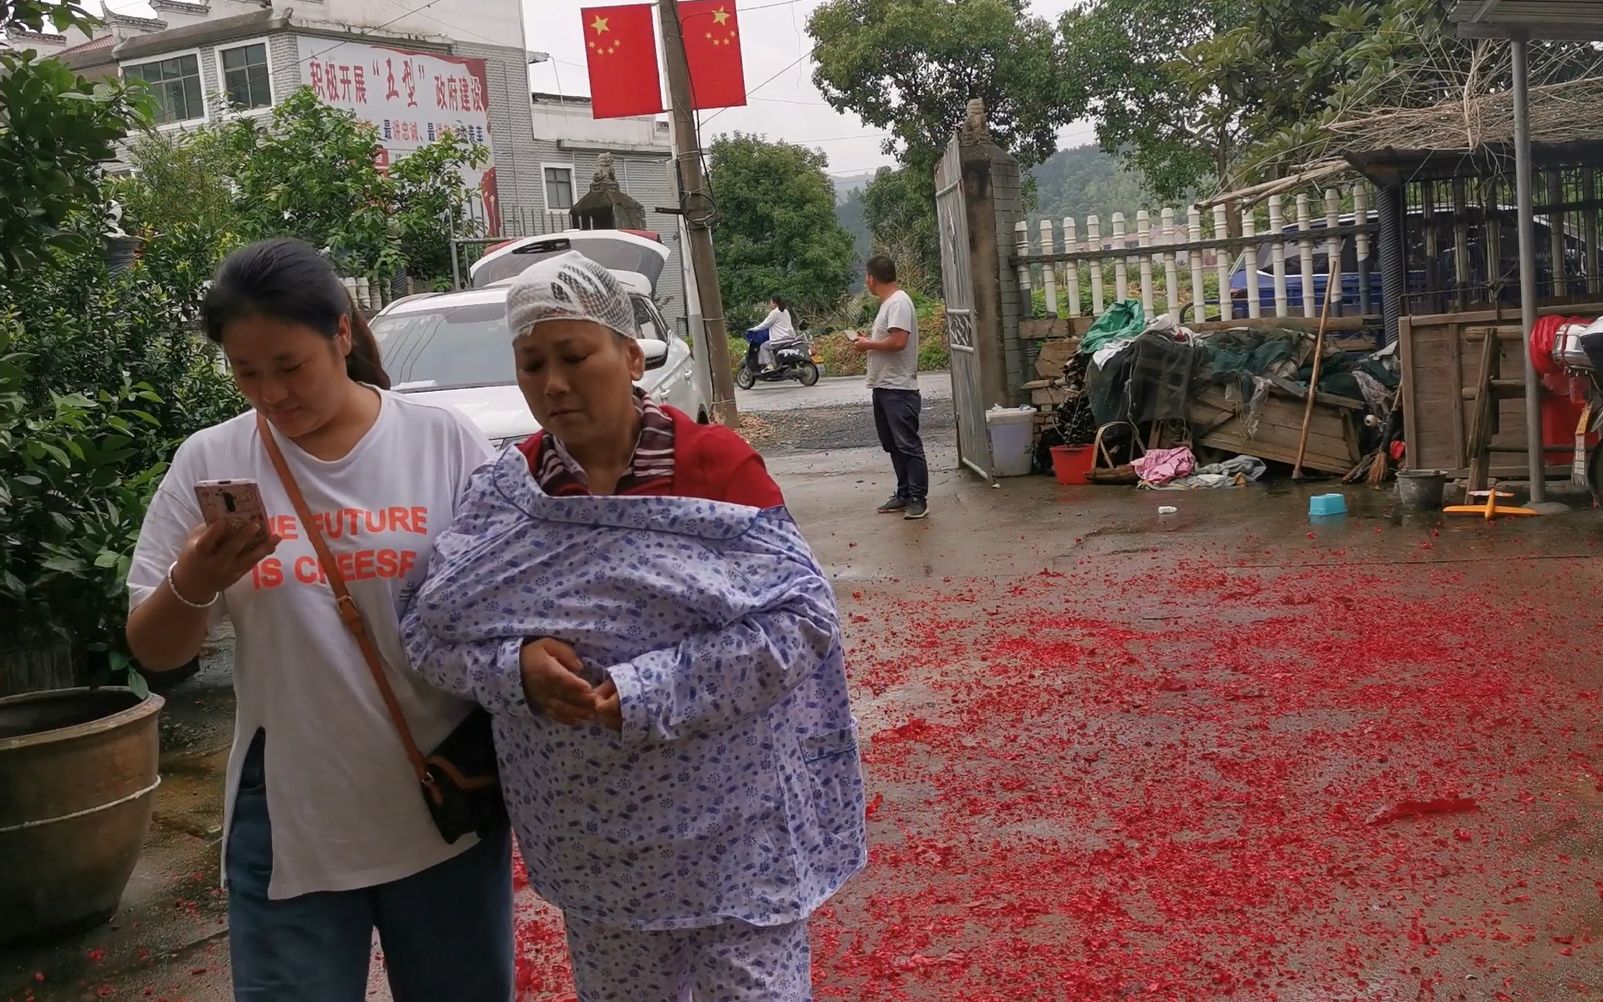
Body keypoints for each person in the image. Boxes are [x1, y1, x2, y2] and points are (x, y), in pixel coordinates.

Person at [402, 252, 866, 1002]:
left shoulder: (714, 467)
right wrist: (512, 669)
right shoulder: (508, 493)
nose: (551, 384)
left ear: (628, 353)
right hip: (597, 852)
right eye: (531, 363)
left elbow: (802, 618)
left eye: (574, 356)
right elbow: (426, 631)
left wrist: (647, 685)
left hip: (735, 836)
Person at [125, 238, 513, 1002]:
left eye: (289, 366)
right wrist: (197, 578)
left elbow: (505, 606)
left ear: (341, 333)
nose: (270, 394)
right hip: (292, 819)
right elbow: (153, 650)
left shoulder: (444, 442)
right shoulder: (209, 461)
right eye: (246, 372)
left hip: (443, 800)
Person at [852, 254, 928, 519]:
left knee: (907, 444)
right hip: (884, 385)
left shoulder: (898, 303)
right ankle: (904, 492)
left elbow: (898, 342)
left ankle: (918, 498)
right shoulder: (889, 304)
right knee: (892, 444)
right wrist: (869, 341)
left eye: (866, 277)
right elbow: (890, 339)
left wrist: (868, 344)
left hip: (899, 387)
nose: (866, 281)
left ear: (872, 279)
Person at [753, 295, 799, 371]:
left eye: (770, 302)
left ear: (774, 303)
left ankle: (770, 365)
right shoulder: (785, 311)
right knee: (770, 346)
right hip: (790, 338)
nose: (769, 305)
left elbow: (765, 324)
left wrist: (754, 329)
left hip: (780, 339)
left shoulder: (774, 313)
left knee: (763, 346)